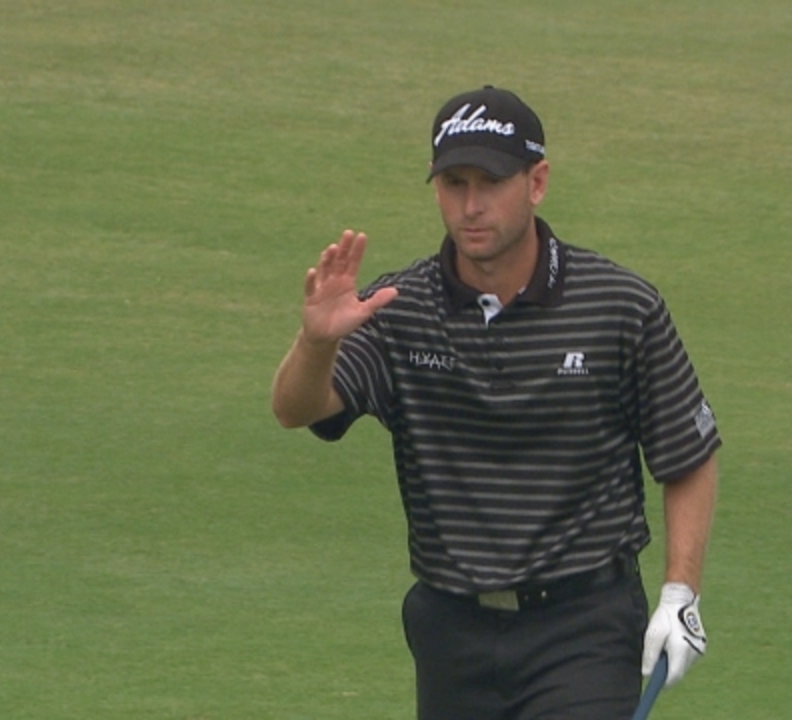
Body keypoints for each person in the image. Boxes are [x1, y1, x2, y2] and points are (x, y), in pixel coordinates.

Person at [271, 85, 720, 719]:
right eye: (454, 183)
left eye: (492, 182)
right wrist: (316, 343)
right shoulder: (399, 308)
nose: (471, 206)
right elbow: (297, 409)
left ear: (537, 183)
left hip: (584, 627)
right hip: (451, 631)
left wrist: (681, 593)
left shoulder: (620, 307)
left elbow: (687, 453)